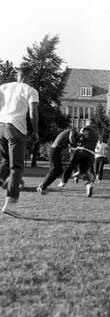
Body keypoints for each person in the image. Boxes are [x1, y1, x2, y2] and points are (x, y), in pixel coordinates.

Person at [0, 64, 39, 215]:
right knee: (16, 167)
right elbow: (33, 112)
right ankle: (10, 202)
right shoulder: (31, 90)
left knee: (5, 162)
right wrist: (35, 132)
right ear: (30, 76)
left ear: (17, 74)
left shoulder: (3, 87)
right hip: (16, 129)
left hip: (1, 127)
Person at [59, 123, 98, 197]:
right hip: (91, 155)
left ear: (89, 123)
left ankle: (63, 182)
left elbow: (77, 138)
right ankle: (88, 186)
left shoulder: (86, 128)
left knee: (71, 166)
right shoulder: (97, 134)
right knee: (83, 172)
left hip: (82, 151)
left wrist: (73, 142)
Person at [37, 128, 78, 194]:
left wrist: (74, 147)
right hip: (54, 150)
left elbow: (70, 145)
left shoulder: (66, 135)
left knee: (59, 170)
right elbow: (71, 138)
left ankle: (42, 185)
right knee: (54, 170)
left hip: (55, 150)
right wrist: (75, 144)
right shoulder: (71, 131)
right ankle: (42, 186)